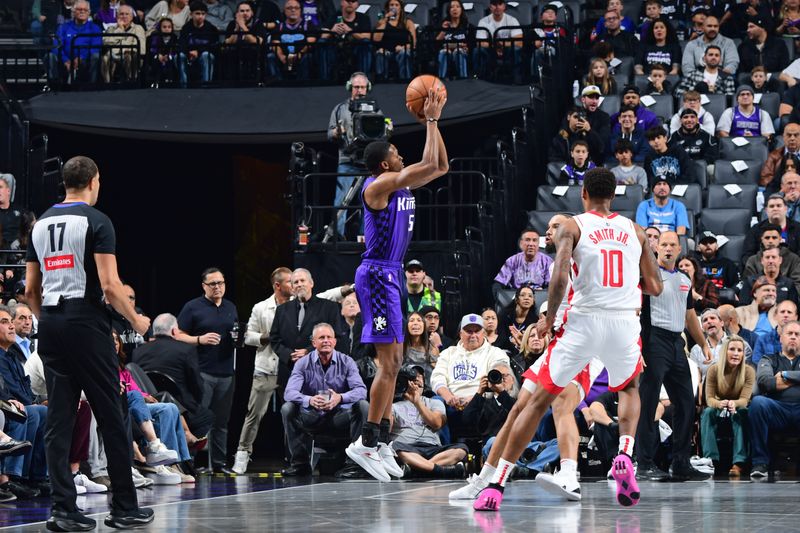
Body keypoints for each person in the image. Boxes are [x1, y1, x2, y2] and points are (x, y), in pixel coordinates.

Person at [472, 168, 663, 511]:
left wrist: (547, 318)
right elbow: (656, 287)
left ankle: (496, 484)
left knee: (536, 402)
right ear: (614, 196)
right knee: (631, 388)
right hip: (624, 322)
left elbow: (558, 275)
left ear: (584, 195)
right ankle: (624, 454)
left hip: (584, 321)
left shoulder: (573, 226)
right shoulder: (635, 230)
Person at [25, 155, 154, 530]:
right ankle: (125, 508)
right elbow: (111, 286)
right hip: (85, 322)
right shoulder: (97, 221)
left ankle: (64, 510)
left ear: (64, 183)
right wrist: (137, 320)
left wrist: (48, 319)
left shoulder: (40, 223)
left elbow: (31, 289)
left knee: (59, 420)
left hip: (49, 322)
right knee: (112, 414)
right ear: (94, 181)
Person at [346, 89, 448, 482]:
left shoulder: (399, 185)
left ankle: (381, 439)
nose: (400, 156)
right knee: (388, 365)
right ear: (384, 163)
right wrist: (430, 121)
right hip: (377, 274)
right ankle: (368, 441)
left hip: (390, 274)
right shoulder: (377, 186)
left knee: (394, 363)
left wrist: (432, 122)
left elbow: (437, 165)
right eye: (395, 153)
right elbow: (424, 163)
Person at [636, 231, 711, 482]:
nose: (668, 248)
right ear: (656, 247)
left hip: (676, 342)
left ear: (679, 250)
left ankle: (681, 463)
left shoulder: (683, 279)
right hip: (653, 340)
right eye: (664, 244)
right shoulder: (647, 276)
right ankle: (644, 463)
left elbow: (690, 315)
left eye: (673, 245)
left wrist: (703, 343)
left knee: (687, 402)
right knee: (648, 402)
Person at [281, 323, 369, 476]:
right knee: (288, 408)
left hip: (339, 416)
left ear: (335, 341)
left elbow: (361, 391)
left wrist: (340, 398)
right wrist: (309, 400)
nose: (326, 341)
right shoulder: (303, 363)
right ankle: (300, 464)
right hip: (313, 416)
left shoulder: (347, 361)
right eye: (321, 338)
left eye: (329, 337)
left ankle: (355, 465)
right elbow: (289, 393)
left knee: (363, 406)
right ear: (314, 342)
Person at [230, 267, 293, 474]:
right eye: (289, 282)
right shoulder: (261, 307)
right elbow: (248, 337)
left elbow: (324, 296)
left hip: (290, 369)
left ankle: (295, 458)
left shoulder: (297, 305)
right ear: (277, 285)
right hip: (266, 367)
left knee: (294, 414)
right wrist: (267, 337)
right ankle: (242, 454)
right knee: (254, 413)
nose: (294, 285)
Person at [176, 267, 239, 474]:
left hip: (226, 372)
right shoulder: (193, 307)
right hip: (202, 372)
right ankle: (190, 462)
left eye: (221, 283)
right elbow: (177, 334)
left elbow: (236, 332)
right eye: (213, 284)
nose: (218, 287)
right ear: (204, 286)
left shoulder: (230, 307)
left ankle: (219, 464)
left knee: (221, 422)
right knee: (199, 419)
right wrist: (198, 340)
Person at [131, 313, 214, 440]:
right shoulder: (186, 349)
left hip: (150, 405)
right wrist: (195, 404)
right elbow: (196, 384)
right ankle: (188, 452)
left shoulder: (138, 352)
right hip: (181, 407)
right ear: (175, 331)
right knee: (207, 416)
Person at [430, 314, 510, 437]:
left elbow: (499, 378)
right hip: (451, 402)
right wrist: (449, 397)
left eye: (477, 331)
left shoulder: (495, 353)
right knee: (436, 402)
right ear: (461, 334)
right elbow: (437, 378)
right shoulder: (448, 353)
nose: (473, 335)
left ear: (483, 333)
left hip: (481, 401)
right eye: (468, 331)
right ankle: (441, 447)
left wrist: (474, 398)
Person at [391, 366, 468, 477]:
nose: (416, 380)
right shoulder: (393, 405)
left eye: (419, 377)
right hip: (407, 448)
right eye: (412, 377)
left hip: (432, 448)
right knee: (395, 447)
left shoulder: (434, 402)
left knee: (461, 449)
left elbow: (436, 424)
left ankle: (417, 470)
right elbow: (387, 428)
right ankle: (441, 470)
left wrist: (417, 402)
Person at [328, 72, 378, 239]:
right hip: (347, 162)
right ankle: (337, 237)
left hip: (367, 163)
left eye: (362, 87)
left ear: (367, 88)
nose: (359, 90)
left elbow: (381, 132)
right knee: (341, 201)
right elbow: (329, 134)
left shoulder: (375, 109)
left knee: (368, 201)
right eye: (356, 87)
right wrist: (337, 132)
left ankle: (365, 236)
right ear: (350, 88)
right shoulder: (340, 109)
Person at [750, 320, 800, 477]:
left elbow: (775, 381)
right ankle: (760, 463)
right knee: (758, 403)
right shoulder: (768, 359)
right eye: (789, 334)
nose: (793, 337)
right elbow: (766, 382)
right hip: (777, 409)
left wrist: (785, 376)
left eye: (797, 334)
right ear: (781, 338)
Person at [700, 335, 754, 476]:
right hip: (718, 407)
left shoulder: (748, 371)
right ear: (724, 352)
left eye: (739, 350)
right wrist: (720, 403)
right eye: (732, 349)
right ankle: (710, 460)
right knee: (707, 413)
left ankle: (739, 462)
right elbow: (709, 399)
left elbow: (745, 399)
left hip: (737, 407)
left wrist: (733, 404)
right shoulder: (713, 370)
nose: (736, 353)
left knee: (741, 413)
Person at [48, 0, 102, 84]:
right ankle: (54, 85)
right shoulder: (63, 27)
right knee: (51, 56)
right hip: (65, 60)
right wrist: (65, 60)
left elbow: (95, 47)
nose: (82, 12)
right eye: (79, 9)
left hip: (85, 60)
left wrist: (81, 57)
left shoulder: (95, 28)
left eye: (85, 10)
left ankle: (92, 85)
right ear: (73, 11)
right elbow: (57, 46)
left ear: (89, 13)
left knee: (95, 56)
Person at [319, 0, 372, 80]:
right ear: (342, 3)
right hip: (336, 49)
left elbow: (367, 37)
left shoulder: (363, 18)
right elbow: (323, 36)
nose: (350, 3)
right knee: (322, 43)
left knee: (365, 43)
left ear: (357, 4)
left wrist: (350, 31)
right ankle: (324, 80)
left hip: (356, 49)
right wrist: (332, 31)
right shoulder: (333, 17)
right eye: (347, 0)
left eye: (353, 1)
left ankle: (363, 79)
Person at [473, 0, 522, 81]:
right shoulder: (483, 21)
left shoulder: (512, 20)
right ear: (490, 7)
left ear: (504, 6)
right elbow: (479, 43)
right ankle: (478, 79)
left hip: (507, 50)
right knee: (477, 50)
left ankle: (516, 79)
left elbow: (520, 42)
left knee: (516, 49)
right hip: (490, 50)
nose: (497, 7)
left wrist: (502, 45)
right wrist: (495, 46)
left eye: (500, 4)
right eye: (494, 4)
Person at [493, 228, 552, 295]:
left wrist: (542, 292)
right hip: (517, 297)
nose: (531, 244)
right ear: (521, 244)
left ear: (538, 244)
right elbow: (498, 283)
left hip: (539, 296)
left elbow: (552, 285)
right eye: (527, 240)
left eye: (534, 240)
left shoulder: (547, 261)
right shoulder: (512, 261)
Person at [268, 0, 317, 80]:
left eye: (296, 8)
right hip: (284, 57)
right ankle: (277, 83)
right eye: (289, 8)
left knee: (309, 57)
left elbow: (311, 42)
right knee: (271, 56)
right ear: (284, 11)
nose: (293, 10)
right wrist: (281, 56)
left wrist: (299, 54)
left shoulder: (307, 25)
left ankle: (303, 82)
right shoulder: (279, 26)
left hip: (302, 56)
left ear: (300, 10)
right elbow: (275, 44)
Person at [743, 194, 800, 262]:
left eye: (779, 206)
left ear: (786, 209)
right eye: (771, 206)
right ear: (766, 210)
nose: (775, 209)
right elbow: (747, 256)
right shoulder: (756, 230)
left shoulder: (798, 228)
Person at [177, 1, 219, 87]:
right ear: (191, 14)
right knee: (179, 56)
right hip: (189, 56)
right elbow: (181, 44)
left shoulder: (211, 29)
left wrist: (198, 52)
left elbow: (214, 47)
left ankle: (205, 86)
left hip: (205, 57)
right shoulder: (186, 28)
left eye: (203, 14)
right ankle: (183, 86)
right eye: (197, 13)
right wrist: (189, 52)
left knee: (206, 55)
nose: (200, 16)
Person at [101, 4, 145, 83]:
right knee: (105, 58)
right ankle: (108, 83)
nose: (124, 16)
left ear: (131, 17)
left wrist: (128, 51)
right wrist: (120, 30)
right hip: (114, 55)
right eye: (121, 14)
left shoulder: (138, 28)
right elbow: (106, 42)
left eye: (127, 14)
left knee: (129, 56)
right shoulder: (111, 29)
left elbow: (141, 48)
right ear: (117, 17)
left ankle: (131, 82)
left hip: (130, 55)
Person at [373, 0, 416, 80]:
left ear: (401, 8)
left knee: (404, 53)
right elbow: (376, 39)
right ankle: (381, 80)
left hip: (402, 50)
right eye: (391, 5)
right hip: (387, 51)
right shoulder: (383, 22)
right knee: (380, 53)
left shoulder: (408, 22)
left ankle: (405, 80)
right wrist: (385, 19)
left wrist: (403, 48)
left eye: (396, 5)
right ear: (388, 8)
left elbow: (413, 43)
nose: (394, 7)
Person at [751, 299, 797, 365]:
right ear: (775, 316)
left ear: (796, 317)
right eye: (782, 312)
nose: (786, 315)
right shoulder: (763, 340)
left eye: (789, 312)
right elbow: (756, 365)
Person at [436, 0, 471, 79]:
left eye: (457, 7)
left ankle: (463, 79)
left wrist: (466, 47)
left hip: (462, 53)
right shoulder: (443, 25)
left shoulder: (467, 26)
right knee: (444, 52)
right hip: (446, 51)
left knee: (458, 51)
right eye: (452, 7)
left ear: (461, 10)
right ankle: (442, 80)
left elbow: (471, 44)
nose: (455, 9)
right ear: (448, 10)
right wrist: (443, 31)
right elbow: (436, 43)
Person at [402, 311, 438, 387]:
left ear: (424, 325)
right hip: (406, 388)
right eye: (411, 320)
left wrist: (437, 346)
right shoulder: (401, 347)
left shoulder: (431, 347)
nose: (415, 323)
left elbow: (438, 371)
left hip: (428, 389)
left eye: (419, 320)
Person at [761, 123, 800, 189]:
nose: (792, 138)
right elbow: (765, 179)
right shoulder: (774, 156)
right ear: (783, 137)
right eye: (789, 135)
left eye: (796, 135)